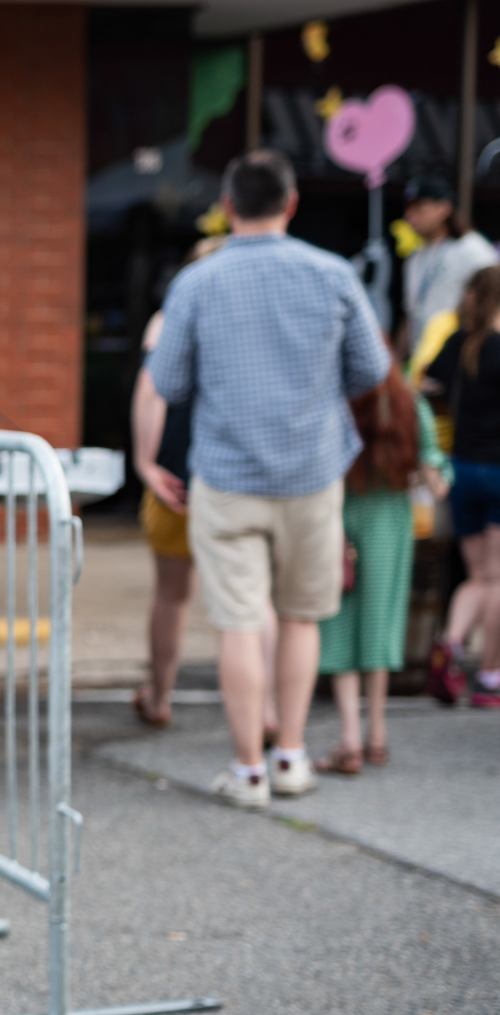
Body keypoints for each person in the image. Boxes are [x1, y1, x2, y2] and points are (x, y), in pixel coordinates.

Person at [148, 149, 389, 809]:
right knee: (301, 619)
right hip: (312, 474)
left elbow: (167, 381)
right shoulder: (333, 274)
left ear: (228, 205)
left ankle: (248, 771)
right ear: (291, 204)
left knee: (238, 624)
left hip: (227, 477)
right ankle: (291, 758)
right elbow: (372, 369)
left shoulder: (197, 282)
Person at [130, 235, 280, 732]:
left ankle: (160, 696)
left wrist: (146, 463)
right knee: (253, 598)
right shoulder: (257, 326)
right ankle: (266, 709)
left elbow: (151, 391)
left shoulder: (168, 322)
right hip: (240, 477)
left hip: (177, 478)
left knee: (172, 595)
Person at [317, 369, 451, 771]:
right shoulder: (410, 404)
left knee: (339, 625)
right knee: (380, 623)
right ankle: (377, 734)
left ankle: (349, 740)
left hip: (339, 518)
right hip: (390, 521)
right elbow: (437, 481)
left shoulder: (334, 401)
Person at [422, 264, 500, 708]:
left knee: (479, 576)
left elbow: (425, 383)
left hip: (463, 468)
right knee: (498, 578)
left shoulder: (460, 341)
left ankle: (451, 643)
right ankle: (489, 677)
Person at [401, 174, 497, 349]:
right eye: (408, 209)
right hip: (423, 356)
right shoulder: (415, 256)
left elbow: (493, 301)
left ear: (443, 208)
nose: (410, 216)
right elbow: (411, 314)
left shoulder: (471, 248)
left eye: (419, 208)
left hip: (458, 353)